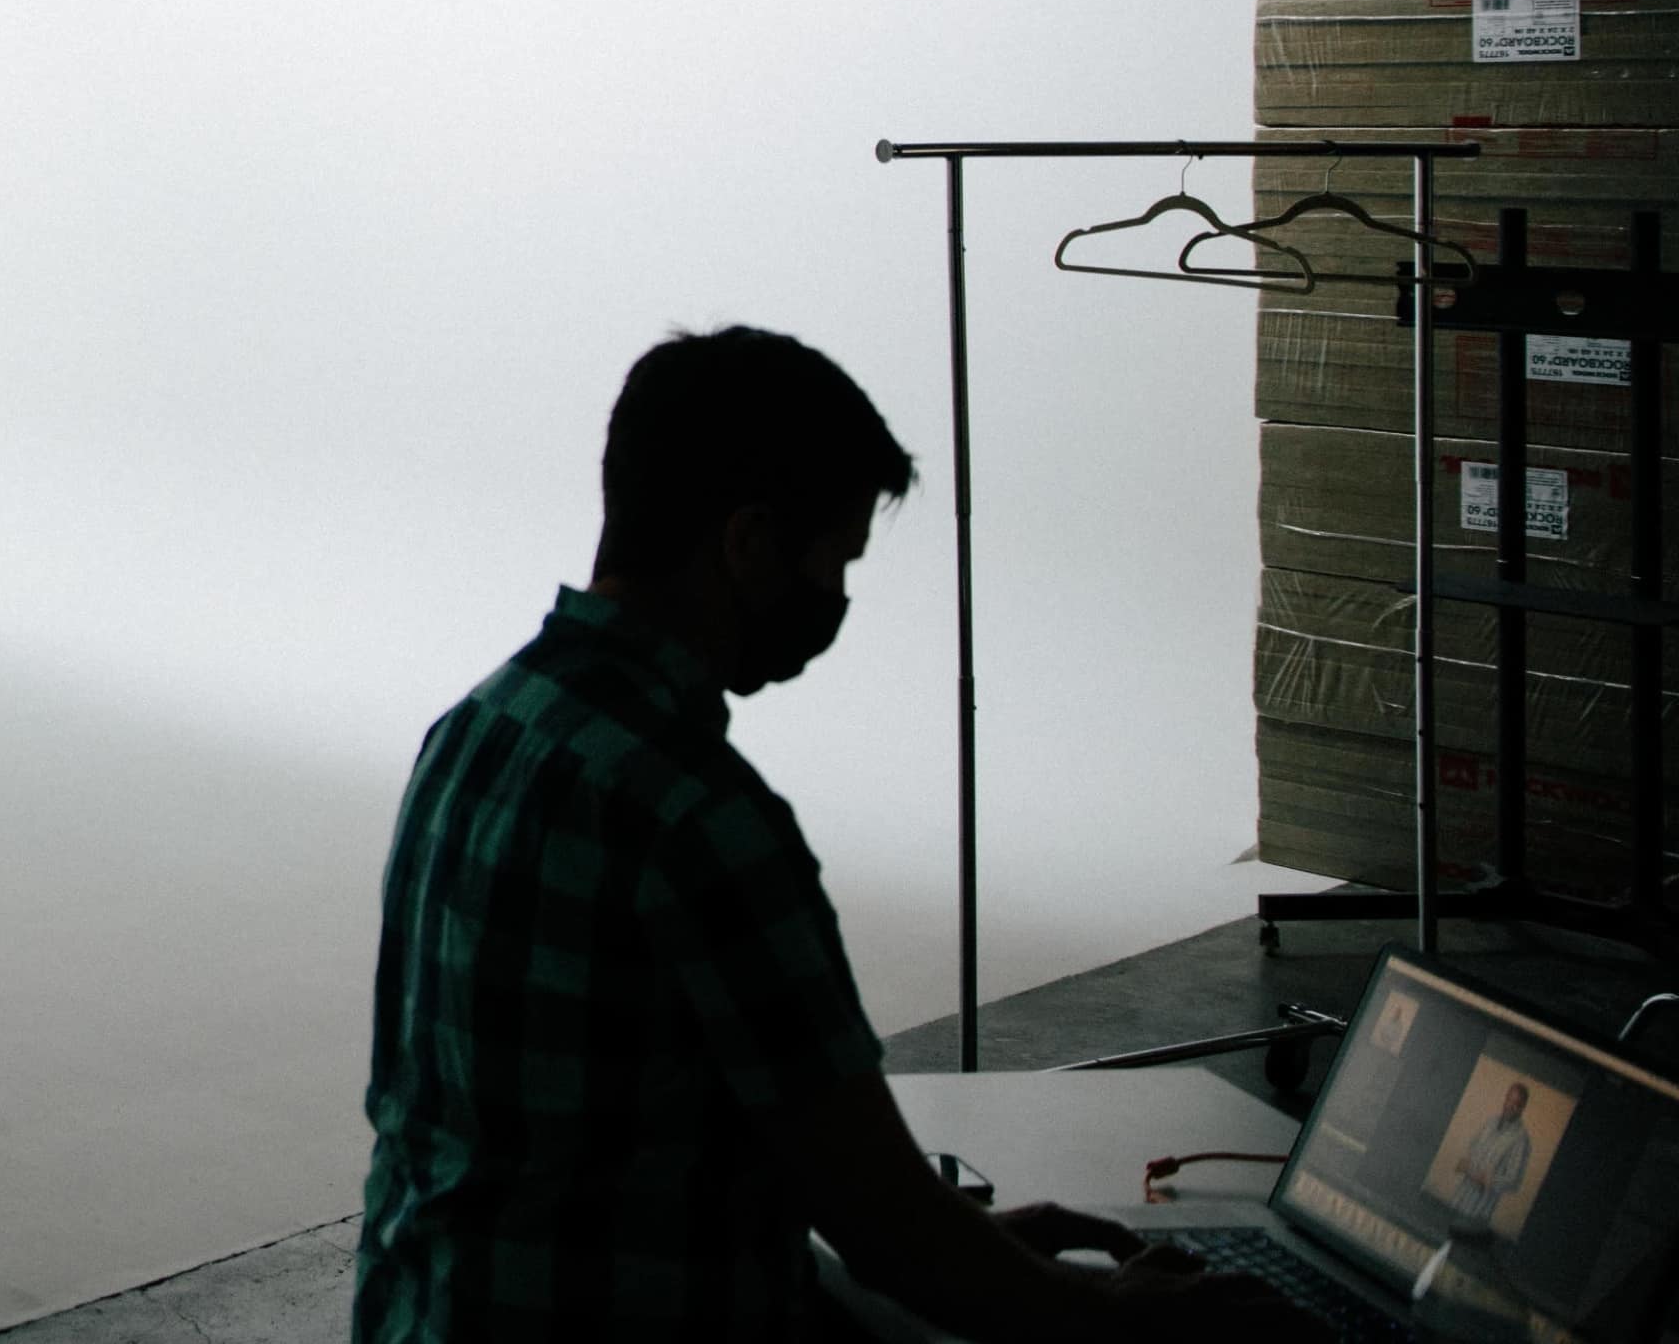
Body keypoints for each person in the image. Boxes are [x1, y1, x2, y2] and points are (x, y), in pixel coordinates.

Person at [354, 327, 1313, 1341]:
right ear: (751, 543)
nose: (838, 602)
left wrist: (964, 1242)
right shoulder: (699, 819)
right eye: (837, 561)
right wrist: (1115, 1310)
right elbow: (885, 1229)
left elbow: (627, 1144)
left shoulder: (477, 731)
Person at [1449, 1079, 1535, 1233]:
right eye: (1509, 1099)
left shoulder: (1521, 1140)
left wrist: (1483, 1178)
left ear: (1523, 1108)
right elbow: (1472, 1148)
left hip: (1480, 1208)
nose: (1510, 1106)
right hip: (1459, 1197)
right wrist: (1465, 1163)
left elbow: (1514, 1181)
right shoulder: (1491, 1122)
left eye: (1516, 1104)